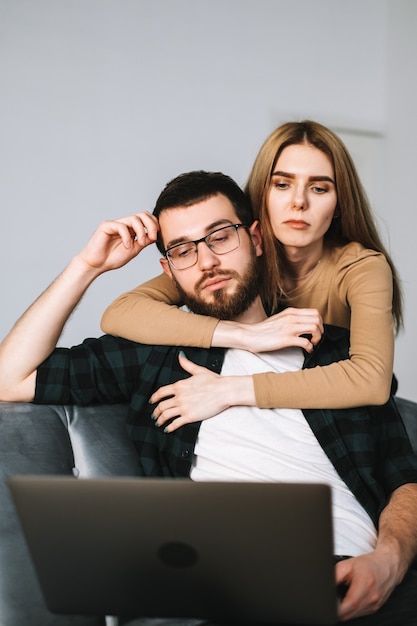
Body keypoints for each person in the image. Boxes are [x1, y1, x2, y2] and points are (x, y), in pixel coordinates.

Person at [0, 171, 416, 626]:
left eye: (220, 236)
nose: (206, 261)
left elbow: (405, 480)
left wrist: (389, 561)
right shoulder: (155, 356)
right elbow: (10, 378)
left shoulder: (339, 356)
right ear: (168, 270)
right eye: (183, 250)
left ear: (256, 238)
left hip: (365, 580)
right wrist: (87, 265)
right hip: (235, 587)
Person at [100, 120, 401, 417]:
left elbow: (372, 381)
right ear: (262, 192)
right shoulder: (237, 252)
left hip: (339, 421)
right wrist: (245, 336)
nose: (299, 202)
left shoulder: (361, 268)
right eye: (282, 184)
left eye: (319, 188)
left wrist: (229, 390)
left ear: (339, 204)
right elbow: (121, 312)